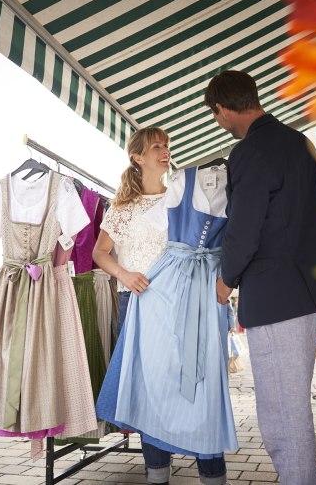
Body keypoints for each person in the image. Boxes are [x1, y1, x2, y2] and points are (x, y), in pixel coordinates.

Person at [205, 70, 316, 485]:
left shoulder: (249, 151)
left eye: (215, 114)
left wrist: (225, 282)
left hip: (276, 297)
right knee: (292, 408)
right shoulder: (299, 142)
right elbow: (311, 220)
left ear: (224, 109)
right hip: (306, 292)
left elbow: (245, 228)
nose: (217, 121)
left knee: (282, 418)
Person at [95, 127, 236, 485]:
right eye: (156, 146)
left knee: (200, 386)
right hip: (137, 302)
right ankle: (157, 474)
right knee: (149, 393)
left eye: (167, 145)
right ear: (137, 157)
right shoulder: (122, 208)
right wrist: (124, 275)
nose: (165, 151)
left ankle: (211, 473)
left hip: (186, 303)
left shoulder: (182, 194)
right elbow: (100, 252)